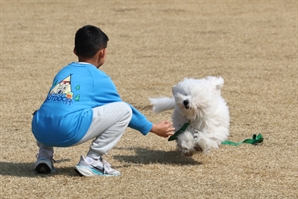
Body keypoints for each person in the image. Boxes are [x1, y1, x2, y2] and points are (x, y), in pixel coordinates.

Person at [32, 25, 175, 177]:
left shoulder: (63, 71)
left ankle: (44, 156)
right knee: (124, 110)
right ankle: (93, 160)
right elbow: (122, 111)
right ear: (102, 52)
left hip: (39, 129)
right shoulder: (99, 77)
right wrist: (153, 128)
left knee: (51, 110)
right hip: (67, 131)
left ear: (75, 51)